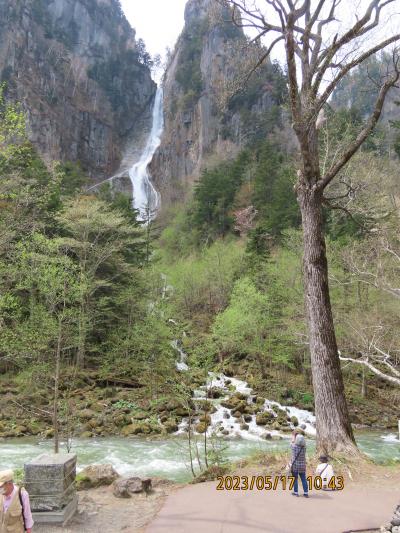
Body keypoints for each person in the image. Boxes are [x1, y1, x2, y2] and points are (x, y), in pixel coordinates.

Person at [289, 430, 308, 498]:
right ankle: (306, 493)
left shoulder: (294, 447)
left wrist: (293, 438)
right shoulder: (304, 448)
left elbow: (291, 443)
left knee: (295, 479)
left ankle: (296, 492)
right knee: (303, 479)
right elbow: (302, 443)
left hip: (295, 466)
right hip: (302, 466)